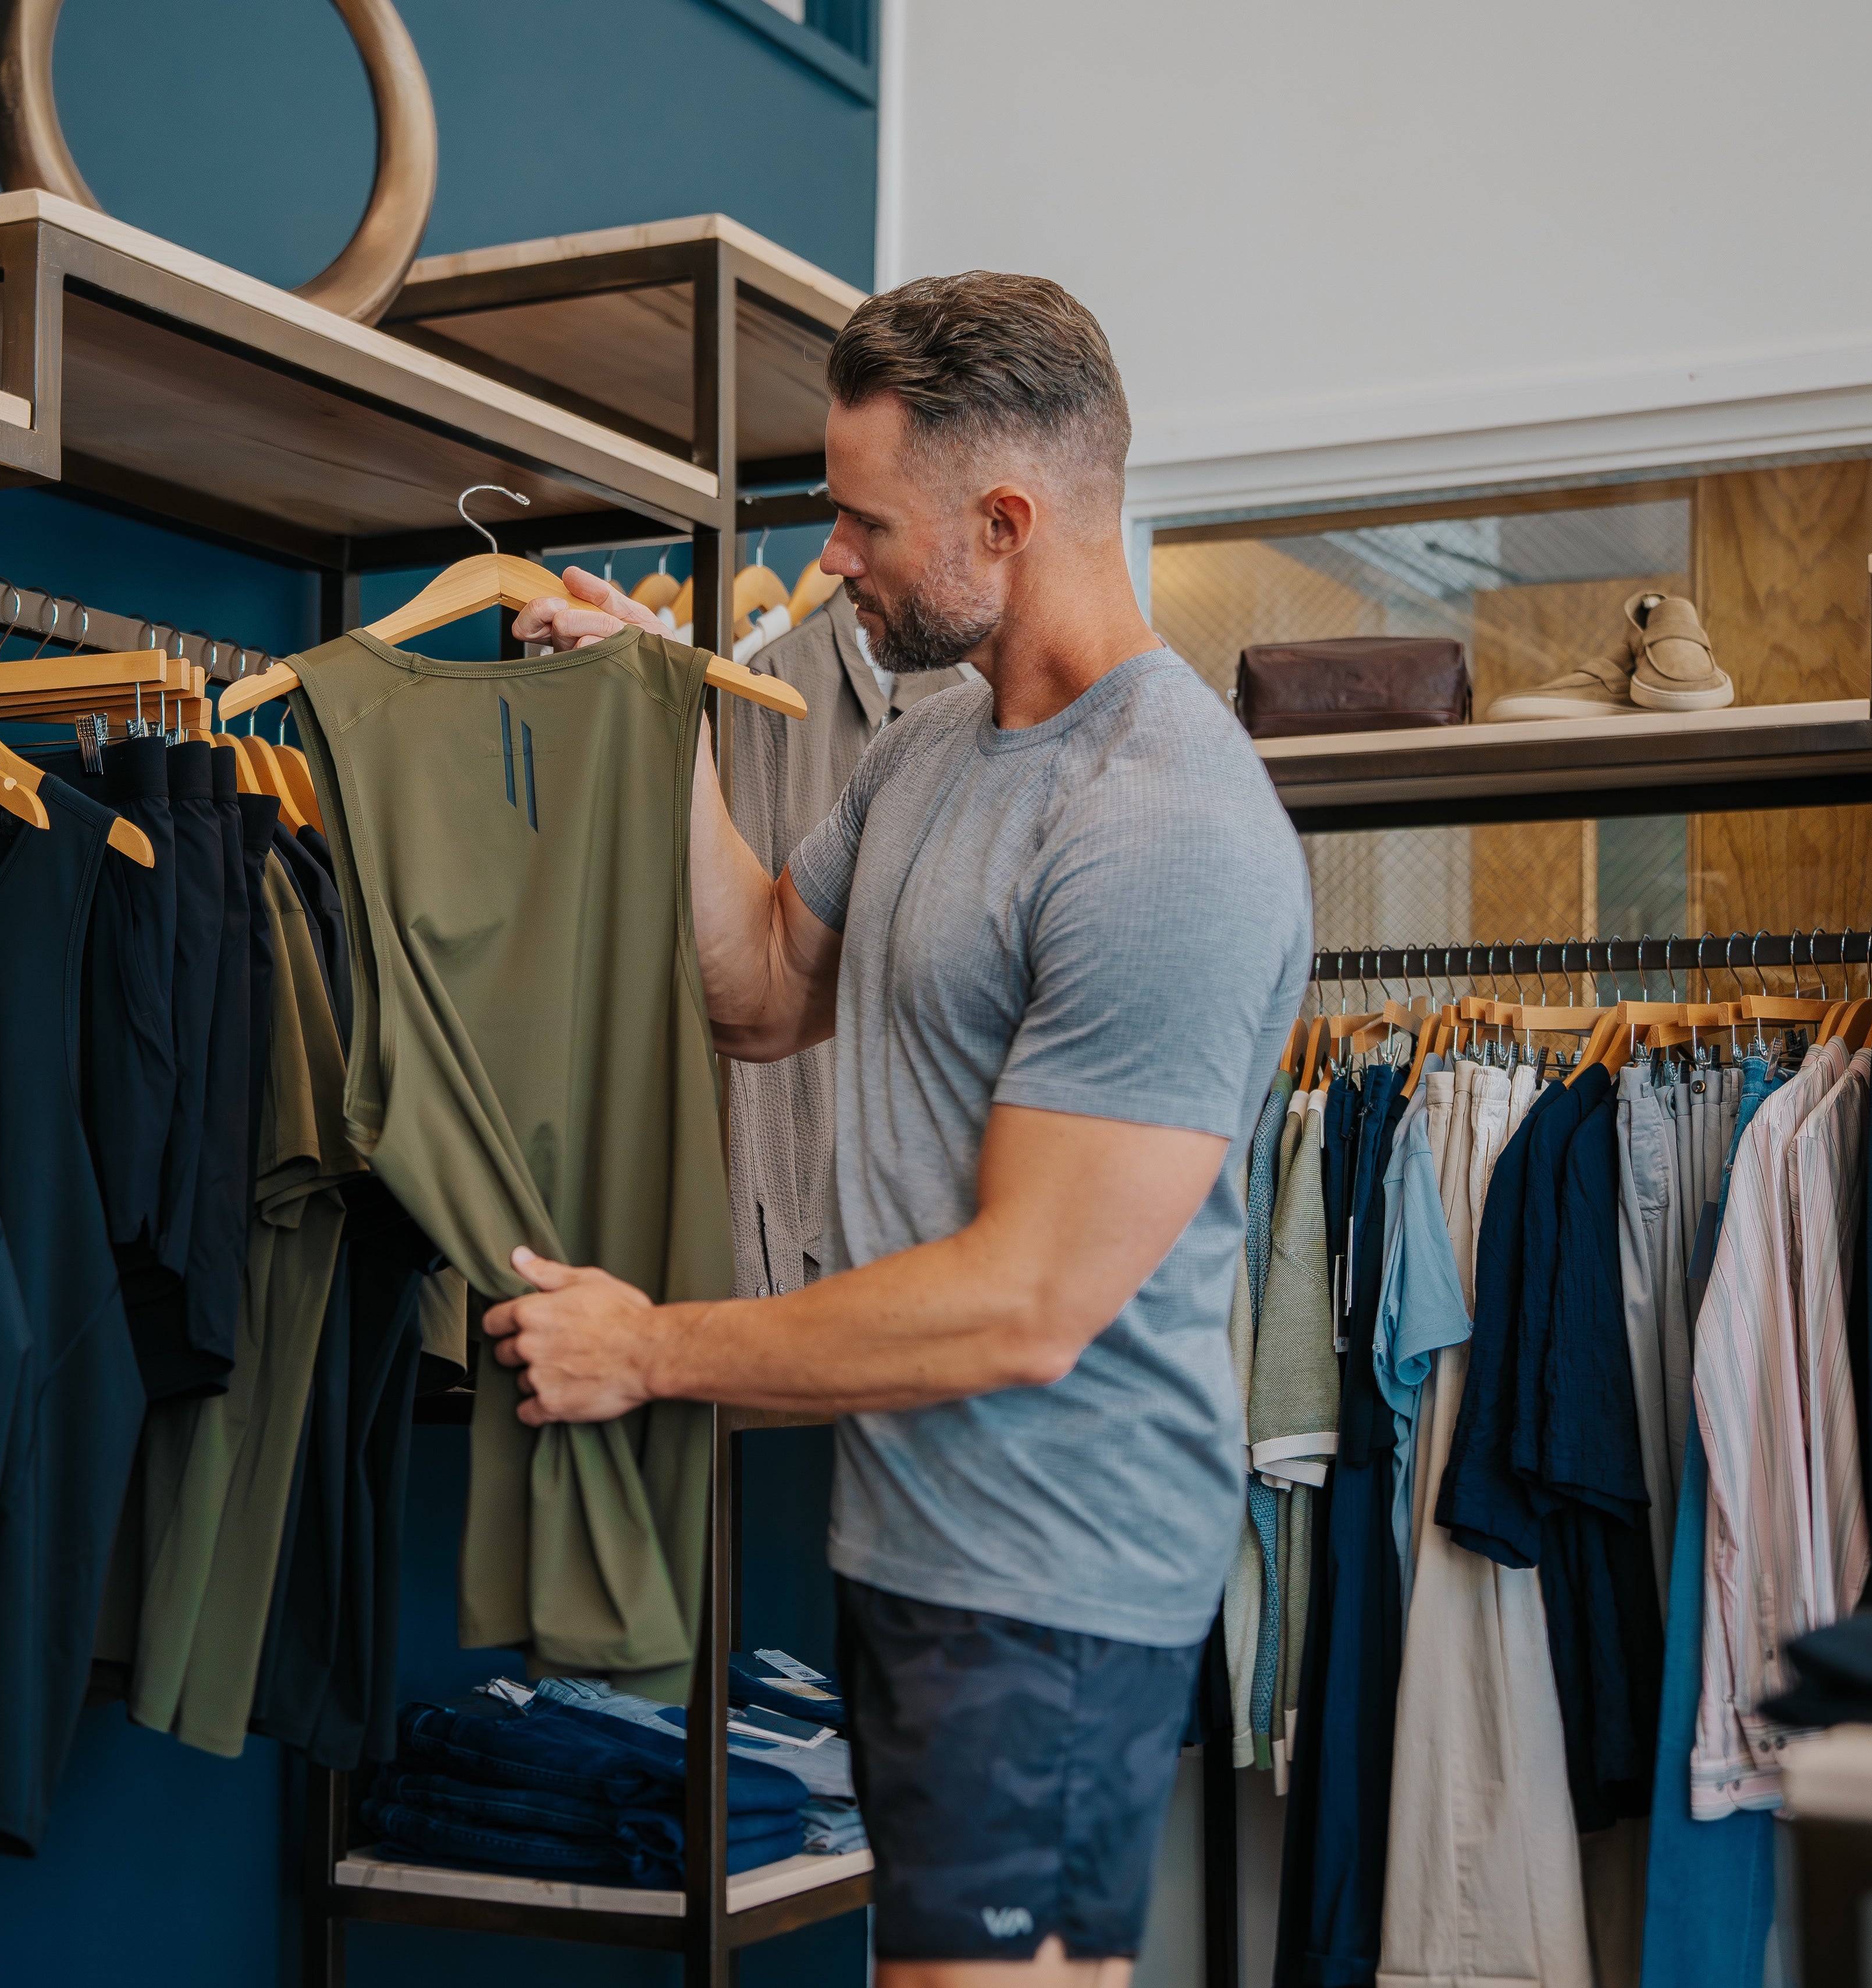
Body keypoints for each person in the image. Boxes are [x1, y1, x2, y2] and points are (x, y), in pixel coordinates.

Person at [489, 271, 1314, 1987]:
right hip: (917, 1540)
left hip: (1057, 1579)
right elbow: (765, 986)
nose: (836, 560)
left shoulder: (1165, 822)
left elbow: (1026, 1304)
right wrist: (660, 725)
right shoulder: (935, 755)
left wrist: (650, 1347)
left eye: (863, 524)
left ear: (1006, 520)